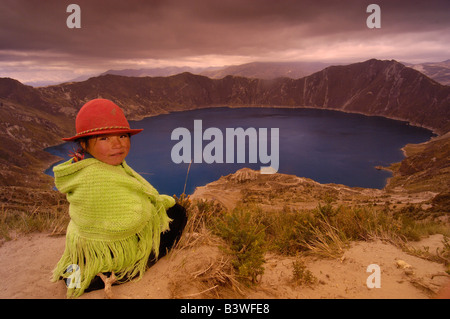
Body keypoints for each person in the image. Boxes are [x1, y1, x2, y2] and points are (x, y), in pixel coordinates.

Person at [51, 99, 187, 298]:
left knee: (171, 211)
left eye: (123, 135)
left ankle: (83, 270)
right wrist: (154, 208)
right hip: (111, 245)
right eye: (104, 138)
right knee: (178, 215)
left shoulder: (85, 168)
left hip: (88, 243)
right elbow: (131, 221)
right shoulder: (96, 177)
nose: (118, 144)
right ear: (84, 144)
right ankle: (124, 272)